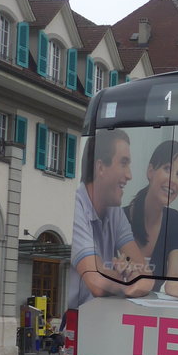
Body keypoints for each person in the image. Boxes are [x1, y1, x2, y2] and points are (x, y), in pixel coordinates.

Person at [68, 130, 154, 309]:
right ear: (100, 168)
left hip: (103, 320)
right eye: (123, 163)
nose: (129, 175)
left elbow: (147, 277)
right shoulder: (75, 206)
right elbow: (97, 283)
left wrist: (119, 277)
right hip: (76, 326)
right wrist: (127, 280)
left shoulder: (114, 211)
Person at [124, 140, 178, 300]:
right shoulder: (119, 219)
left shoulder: (174, 221)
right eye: (167, 169)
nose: (173, 180)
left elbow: (173, 276)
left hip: (153, 316)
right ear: (150, 171)